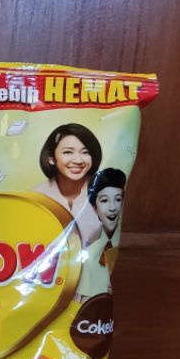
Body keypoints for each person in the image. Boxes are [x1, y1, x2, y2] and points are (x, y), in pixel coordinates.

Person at [33, 124, 102, 246]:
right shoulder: (36, 197)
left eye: (85, 152)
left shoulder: (105, 192)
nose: (78, 160)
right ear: (51, 158)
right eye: (68, 152)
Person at [75, 168, 127, 300]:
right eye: (104, 200)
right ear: (94, 207)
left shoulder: (127, 247)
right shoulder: (89, 252)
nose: (112, 207)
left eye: (118, 199)